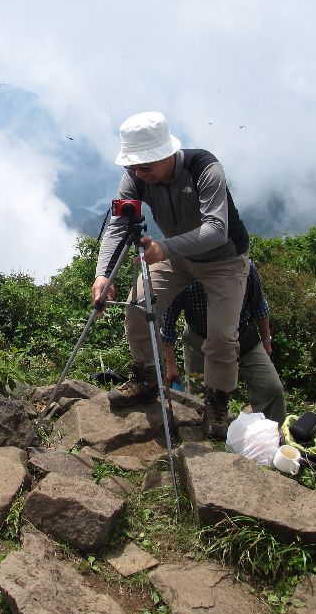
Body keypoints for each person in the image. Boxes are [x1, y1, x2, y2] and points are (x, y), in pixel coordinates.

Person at [93, 111, 250, 437]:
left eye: (145, 165)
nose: (138, 172)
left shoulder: (204, 168)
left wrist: (164, 249)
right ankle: (147, 378)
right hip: (176, 258)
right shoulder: (136, 177)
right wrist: (102, 276)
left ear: (167, 153)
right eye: (132, 166)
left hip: (223, 260)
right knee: (136, 306)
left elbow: (217, 230)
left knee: (221, 335)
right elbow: (118, 225)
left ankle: (216, 401)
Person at [160, 260, 287, 425]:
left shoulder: (243, 267)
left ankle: (272, 434)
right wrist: (171, 365)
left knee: (271, 388)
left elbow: (259, 306)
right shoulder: (186, 275)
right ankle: (207, 438)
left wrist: (266, 340)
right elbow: (167, 324)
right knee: (199, 400)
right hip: (199, 342)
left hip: (242, 337)